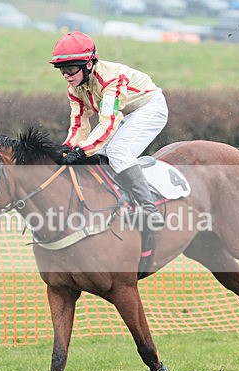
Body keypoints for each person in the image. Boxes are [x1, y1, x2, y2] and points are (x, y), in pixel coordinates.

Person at [50, 31, 167, 227]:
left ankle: (149, 210)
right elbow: (79, 124)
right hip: (126, 112)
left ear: (88, 64)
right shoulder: (75, 88)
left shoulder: (111, 79)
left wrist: (82, 150)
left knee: (117, 151)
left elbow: (108, 123)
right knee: (98, 154)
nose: (66, 76)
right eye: (61, 70)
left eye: (70, 69)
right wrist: (68, 147)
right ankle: (117, 202)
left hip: (149, 108)